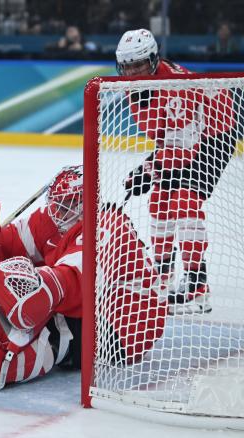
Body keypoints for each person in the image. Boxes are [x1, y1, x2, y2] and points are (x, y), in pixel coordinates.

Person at [0, 165, 167, 394]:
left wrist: (31, 286)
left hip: (125, 324)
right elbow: (13, 240)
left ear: (84, 203)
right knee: (5, 290)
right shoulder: (59, 218)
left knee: (50, 325)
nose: (56, 210)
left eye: (66, 204)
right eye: (56, 203)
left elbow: (69, 281)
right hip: (94, 302)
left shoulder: (104, 228)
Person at [116, 28, 236, 315]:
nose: (133, 73)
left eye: (140, 65)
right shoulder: (135, 90)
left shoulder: (173, 87)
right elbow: (167, 140)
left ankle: (197, 288)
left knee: (185, 200)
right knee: (159, 201)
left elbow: (185, 144)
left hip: (216, 134)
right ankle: (163, 276)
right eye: (128, 66)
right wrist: (148, 169)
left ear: (154, 60)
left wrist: (151, 169)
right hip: (186, 137)